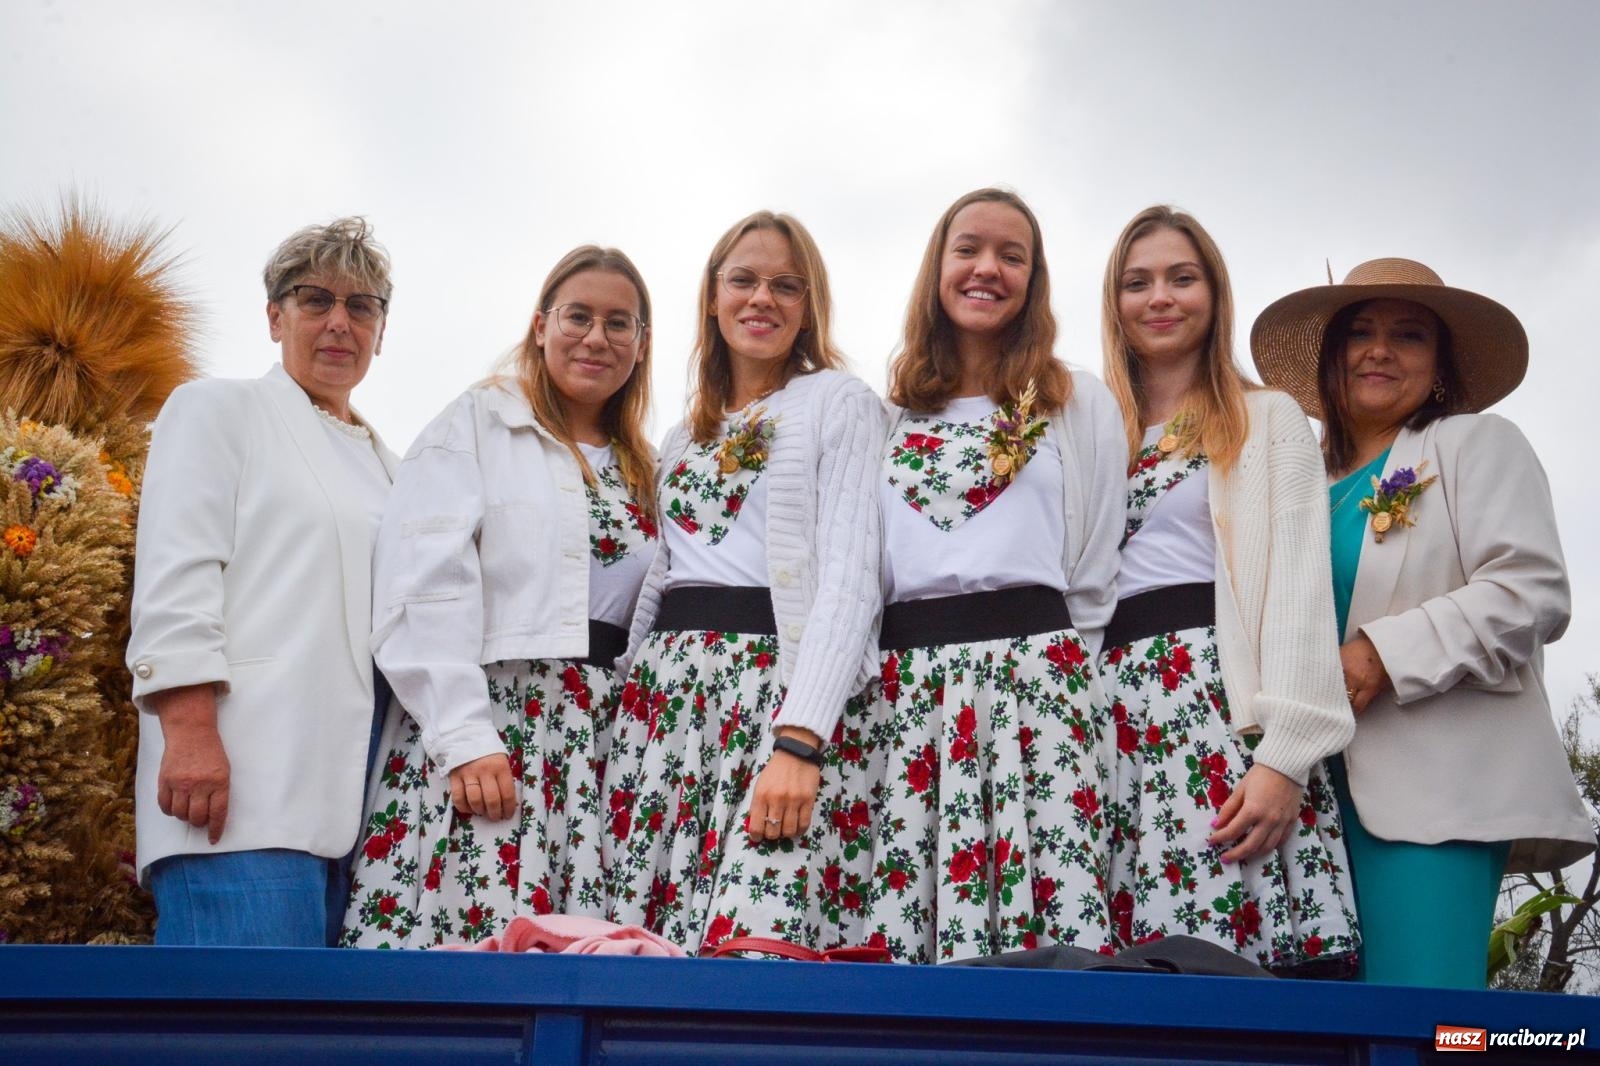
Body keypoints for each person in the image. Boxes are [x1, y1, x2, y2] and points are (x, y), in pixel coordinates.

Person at [1251, 257, 1594, 988]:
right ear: (1329, 358)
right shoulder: (1294, 485)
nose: (1380, 350)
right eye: (1360, 333)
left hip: (1432, 799)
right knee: (1314, 1033)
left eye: (1408, 335)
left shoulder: (1474, 444)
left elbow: (1531, 592)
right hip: (1299, 799)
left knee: (1427, 1021)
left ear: (1439, 365)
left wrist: (1378, 653)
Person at [340, 247, 658, 948]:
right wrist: (465, 737)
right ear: (540, 326)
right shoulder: (479, 424)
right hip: (499, 725)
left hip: (601, 742)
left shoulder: (646, 466)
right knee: (474, 948)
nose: (596, 337)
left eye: (619, 323)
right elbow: (422, 584)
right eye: (578, 316)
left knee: (586, 965)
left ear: (641, 345)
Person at [603, 210, 884, 954]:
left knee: (755, 938)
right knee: (646, 941)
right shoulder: (681, 436)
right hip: (666, 707)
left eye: (785, 285)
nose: (762, 298)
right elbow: (661, 578)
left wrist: (801, 738)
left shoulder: (840, 403)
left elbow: (850, 581)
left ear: (808, 306)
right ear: (711, 297)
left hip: (773, 695)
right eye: (744, 280)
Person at [859, 188, 1125, 963]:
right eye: (969, 249)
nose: (988, 269)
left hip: (1037, 681)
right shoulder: (890, 414)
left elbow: (1095, 564)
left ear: (1035, 280)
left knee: (1049, 932)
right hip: (904, 692)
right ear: (937, 268)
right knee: (909, 926)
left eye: (1013, 256)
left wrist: (1069, 687)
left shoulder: (1076, 401)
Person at [1097, 206, 1358, 974]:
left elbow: (1298, 591)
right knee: (1108, 978)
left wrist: (1286, 759)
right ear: (1114, 304)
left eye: (1183, 278)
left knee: (1226, 967)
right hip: (1106, 713)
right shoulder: (1090, 432)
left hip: (1213, 704)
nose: (1161, 298)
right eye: (1137, 283)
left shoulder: (1265, 418)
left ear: (1215, 293)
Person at [127, 217, 397, 946]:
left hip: (360, 814)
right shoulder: (218, 410)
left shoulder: (391, 467)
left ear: (381, 328)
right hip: (238, 797)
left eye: (362, 305)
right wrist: (188, 733)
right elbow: (176, 576)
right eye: (315, 299)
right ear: (275, 316)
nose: (340, 322)